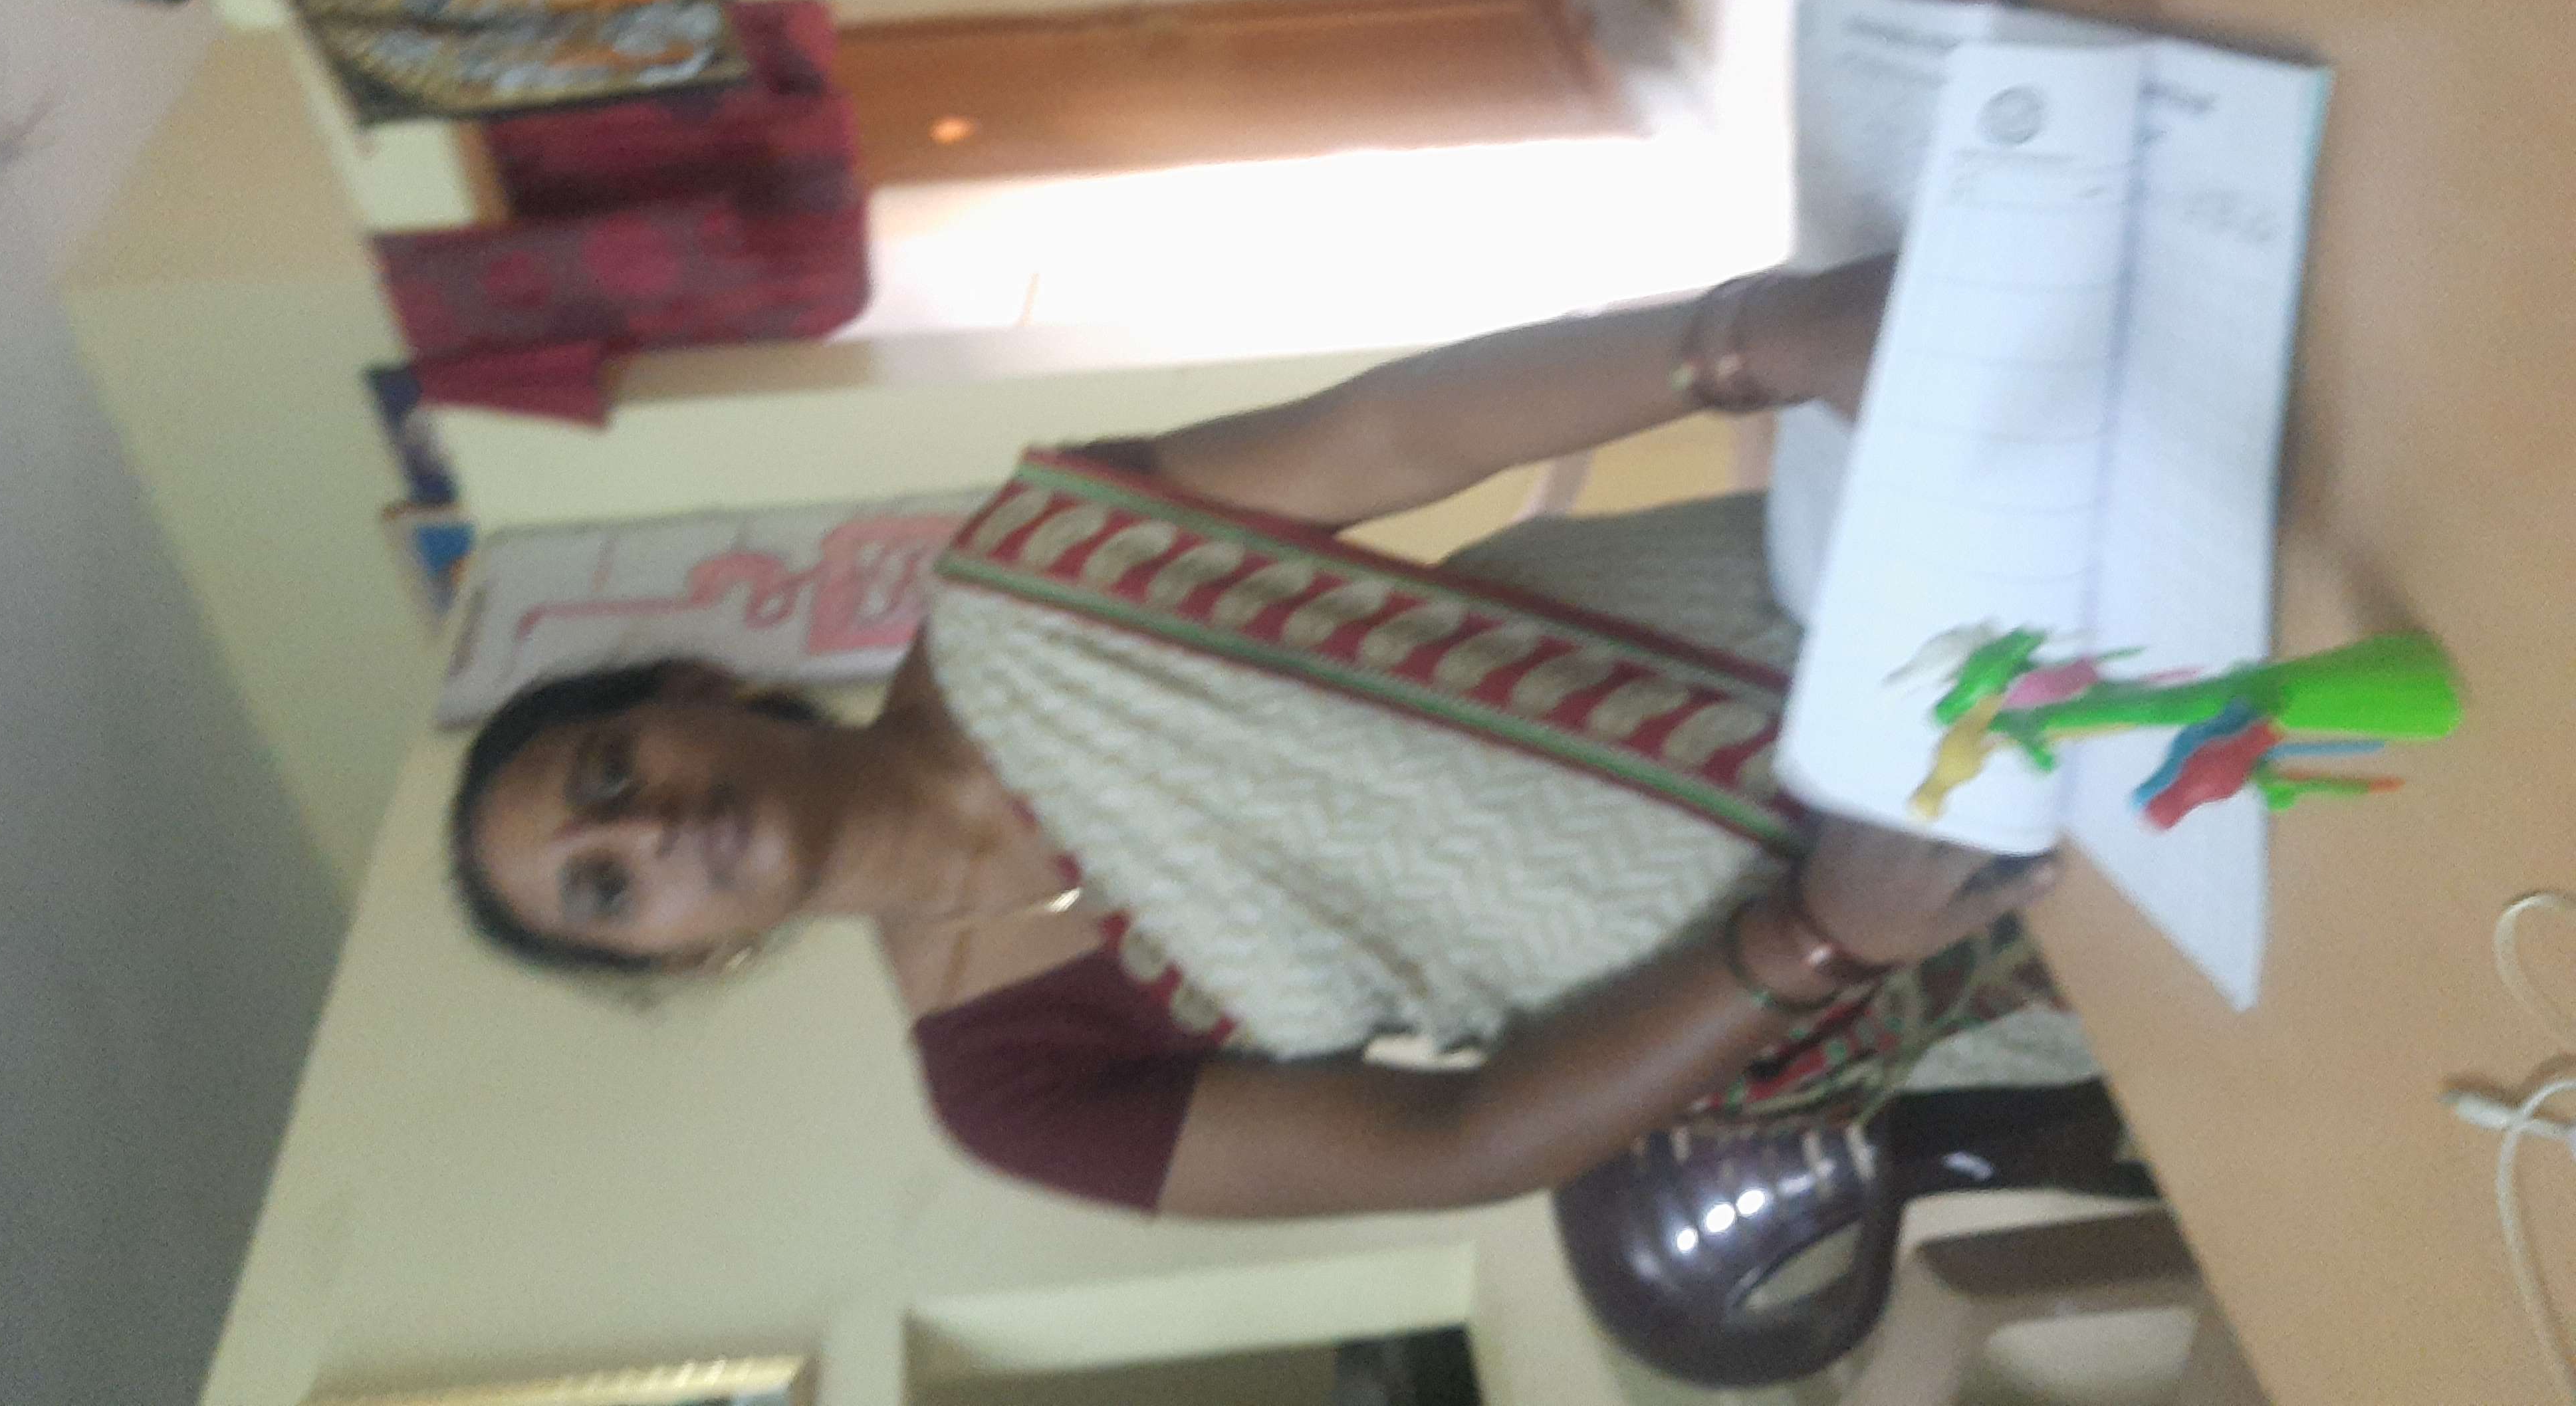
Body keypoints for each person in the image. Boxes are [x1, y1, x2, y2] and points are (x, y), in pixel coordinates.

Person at [451, 258, 2086, 1219]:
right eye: (608, 889)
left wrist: (1756, 338)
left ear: (694, 689)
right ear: (684, 957)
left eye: (608, 776)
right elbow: (1456, 1143)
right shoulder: (1007, 1085)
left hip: (1862, 606)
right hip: (1935, 937)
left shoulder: (1031, 575)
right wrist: (1813, 938)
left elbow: (1384, 437)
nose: (645, 833)